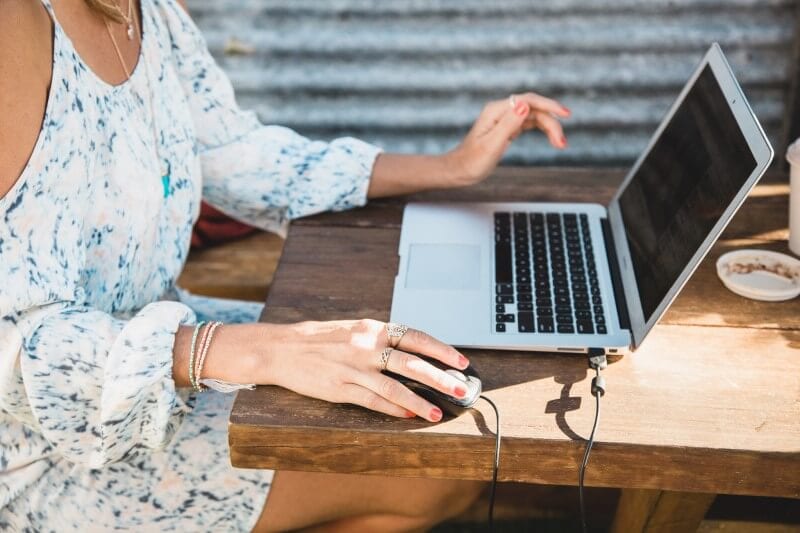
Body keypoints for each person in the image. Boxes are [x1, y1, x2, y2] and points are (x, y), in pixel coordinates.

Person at [0, 0, 570, 530]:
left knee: (441, 435)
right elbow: (12, 348)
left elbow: (233, 152)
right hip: (46, 454)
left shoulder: (142, 9)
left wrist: (451, 168)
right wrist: (260, 349)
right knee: (427, 468)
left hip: (164, 359)